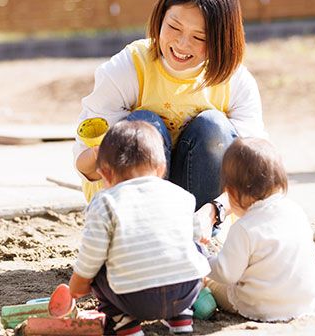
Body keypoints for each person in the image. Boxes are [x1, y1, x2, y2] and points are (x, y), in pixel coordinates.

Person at [74, 0, 266, 221]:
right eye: (174, 27)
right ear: (161, 15)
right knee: (144, 125)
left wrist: (215, 212)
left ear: (222, 39)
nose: (182, 44)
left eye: (199, 37)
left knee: (214, 126)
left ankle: (201, 241)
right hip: (136, 216)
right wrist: (118, 150)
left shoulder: (235, 81)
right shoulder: (128, 68)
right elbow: (85, 165)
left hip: (202, 218)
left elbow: (253, 174)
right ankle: (140, 234)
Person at [69, 120, 211, 336]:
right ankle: (181, 317)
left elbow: (91, 255)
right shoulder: (182, 196)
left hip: (133, 299)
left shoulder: (105, 202)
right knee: (195, 248)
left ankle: (125, 324)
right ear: (162, 169)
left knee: (99, 267)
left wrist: (78, 284)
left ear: (105, 174)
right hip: (184, 291)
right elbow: (196, 237)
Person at [204, 137, 315, 321]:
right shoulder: (296, 211)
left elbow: (226, 273)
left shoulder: (244, 228)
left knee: (211, 282)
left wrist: (203, 260)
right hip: (306, 300)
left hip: (261, 306)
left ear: (232, 193)